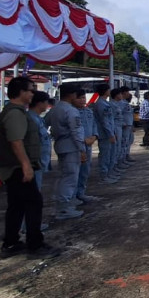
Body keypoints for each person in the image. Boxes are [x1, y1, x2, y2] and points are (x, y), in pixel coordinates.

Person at [0, 76, 58, 259]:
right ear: (21, 92)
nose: (32, 93)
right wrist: (26, 166)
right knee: (33, 203)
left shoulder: (17, 111)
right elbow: (16, 142)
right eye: (30, 90)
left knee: (17, 206)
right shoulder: (15, 113)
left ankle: (11, 242)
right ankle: (35, 244)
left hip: (15, 167)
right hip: (17, 168)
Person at [46, 83, 88, 220]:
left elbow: (44, 123)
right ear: (71, 95)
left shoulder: (55, 109)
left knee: (63, 175)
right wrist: (82, 149)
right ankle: (64, 208)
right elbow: (75, 131)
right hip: (71, 146)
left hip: (60, 144)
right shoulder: (70, 111)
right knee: (70, 177)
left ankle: (64, 204)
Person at [26, 91, 52, 232]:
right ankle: (28, 225)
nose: (47, 105)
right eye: (46, 102)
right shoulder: (31, 119)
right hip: (34, 163)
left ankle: (31, 223)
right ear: (40, 103)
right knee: (32, 195)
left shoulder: (37, 118)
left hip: (39, 162)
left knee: (36, 193)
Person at [75, 91, 99, 202]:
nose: (83, 100)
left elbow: (94, 125)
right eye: (79, 98)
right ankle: (73, 196)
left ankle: (81, 193)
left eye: (84, 98)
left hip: (89, 144)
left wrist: (94, 136)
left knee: (85, 171)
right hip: (77, 145)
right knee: (75, 173)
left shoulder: (88, 111)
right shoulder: (72, 112)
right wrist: (83, 139)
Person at [92, 83, 118, 184]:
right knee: (105, 155)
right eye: (108, 89)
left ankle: (108, 173)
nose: (109, 91)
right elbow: (104, 121)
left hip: (108, 132)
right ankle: (104, 176)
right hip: (104, 134)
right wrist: (110, 134)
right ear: (105, 91)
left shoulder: (104, 103)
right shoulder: (101, 104)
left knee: (110, 154)